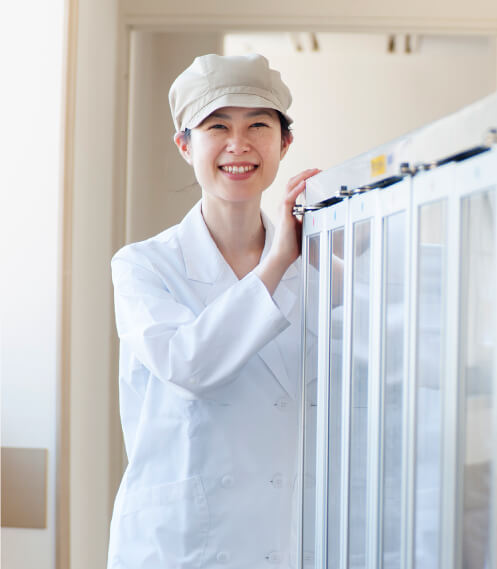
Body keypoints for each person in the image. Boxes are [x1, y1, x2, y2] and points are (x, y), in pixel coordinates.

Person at [107, 53, 319, 568]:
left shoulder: (313, 268)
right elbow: (190, 363)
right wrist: (278, 263)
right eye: (216, 126)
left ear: (284, 143)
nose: (238, 145)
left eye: (259, 126)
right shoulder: (143, 266)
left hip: (280, 537)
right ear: (185, 145)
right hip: (181, 544)